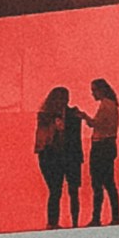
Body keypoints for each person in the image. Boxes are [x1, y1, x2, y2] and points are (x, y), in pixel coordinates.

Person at [34, 84, 85, 228]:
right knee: (57, 190)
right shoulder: (47, 116)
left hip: (64, 156)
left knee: (67, 191)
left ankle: (67, 222)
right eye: (64, 97)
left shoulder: (51, 115)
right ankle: (54, 223)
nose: (66, 100)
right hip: (55, 156)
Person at [85, 75, 119, 224]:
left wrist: (84, 117)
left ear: (101, 90)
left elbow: (96, 124)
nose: (92, 93)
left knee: (100, 183)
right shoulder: (111, 105)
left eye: (94, 90)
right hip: (108, 144)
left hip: (101, 145)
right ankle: (114, 216)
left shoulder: (106, 105)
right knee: (108, 183)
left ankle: (97, 218)